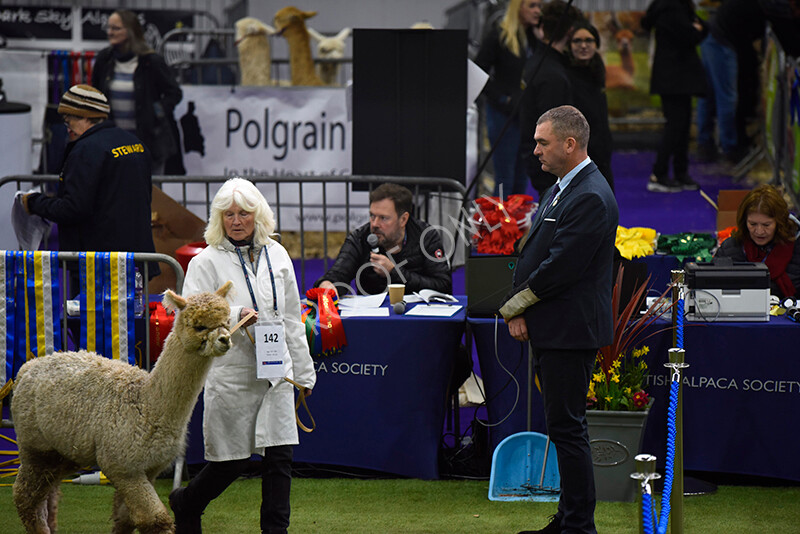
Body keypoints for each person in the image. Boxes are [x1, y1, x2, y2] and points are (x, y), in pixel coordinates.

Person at [170, 178, 316, 534]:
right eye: (229, 214)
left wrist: (305, 374)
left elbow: (293, 317)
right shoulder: (204, 262)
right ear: (219, 219)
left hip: (276, 371)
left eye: (245, 213)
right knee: (230, 463)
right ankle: (186, 503)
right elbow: (192, 318)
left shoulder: (278, 254)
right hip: (232, 373)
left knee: (280, 459)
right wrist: (235, 316)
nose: (237, 221)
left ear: (258, 216)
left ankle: (275, 531)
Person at [500, 105, 618, 534]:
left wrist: (515, 306)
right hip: (560, 327)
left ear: (570, 144)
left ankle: (579, 527)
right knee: (564, 428)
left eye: (542, 142)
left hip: (569, 330)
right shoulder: (570, 185)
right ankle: (569, 520)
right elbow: (544, 253)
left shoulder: (587, 194)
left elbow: (559, 267)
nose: (535, 150)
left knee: (568, 430)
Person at [22, 84, 158, 277]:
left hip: (98, 264)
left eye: (69, 120)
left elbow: (74, 208)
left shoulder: (86, 149)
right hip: (137, 258)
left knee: (92, 309)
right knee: (135, 308)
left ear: (86, 116)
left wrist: (35, 202)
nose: (68, 128)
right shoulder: (134, 143)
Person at [315, 183, 452, 297]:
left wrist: (394, 271)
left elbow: (443, 285)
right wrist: (327, 284)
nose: (374, 224)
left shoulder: (426, 237)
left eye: (383, 218)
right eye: (372, 216)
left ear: (403, 219)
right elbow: (338, 274)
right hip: (372, 319)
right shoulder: (360, 238)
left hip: (417, 316)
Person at [91, 9, 183, 174]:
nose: (110, 32)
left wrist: (157, 111)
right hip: (114, 144)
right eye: (109, 28)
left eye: (116, 28)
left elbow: (174, 92)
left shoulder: (151, 61)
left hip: (148, 142)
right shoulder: (104, 60)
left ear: (130, 31)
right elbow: (96, 95)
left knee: (150, 195)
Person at [474, 0, 543, 198]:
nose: (537, 11)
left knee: (522, 177)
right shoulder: (499, 36)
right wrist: (503, 98)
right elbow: (478, 72)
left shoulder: (536, 39)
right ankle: (500, 227)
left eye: (539, 6)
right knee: (505, 177)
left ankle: (518, 227)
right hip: (503, 114)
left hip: (527, 116)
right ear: (518, 8)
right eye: (532, 6)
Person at [518, 0, 584, 201]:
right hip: (551, 168)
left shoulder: (536, 64)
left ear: (542, 27)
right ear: (570, 31)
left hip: (539, 159)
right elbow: (554, 133)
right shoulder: (552, 75)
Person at [642, 0, 708, 193]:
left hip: (674, 77)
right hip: (675, 77)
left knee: (681, 125)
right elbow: (690, 34)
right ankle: (659, 173)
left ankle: (680, 172)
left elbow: (697, 29)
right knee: (676, 125)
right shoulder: (673, 7)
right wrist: (698, 29)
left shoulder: (663, 7)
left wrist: (698, 28)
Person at [696, 0, 766, 164]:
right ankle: (730, 147)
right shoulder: (766, 6)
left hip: (712, 35)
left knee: (708, 95)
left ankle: (705, 143)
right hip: (722, 41)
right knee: (726, 97)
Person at [714, 184, 800, 299]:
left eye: (766, 225)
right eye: (752, 224)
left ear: (779, 223)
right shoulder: (730, 248)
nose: (759, 231)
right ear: (744, 221)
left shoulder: (796, 248)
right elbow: (712, 286)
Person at [566, 19, 615, 191]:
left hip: (601, 146)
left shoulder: (597, 68)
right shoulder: (565, 75)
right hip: (578, 151)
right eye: (577, 41)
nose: (583, 45)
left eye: (589, 40)